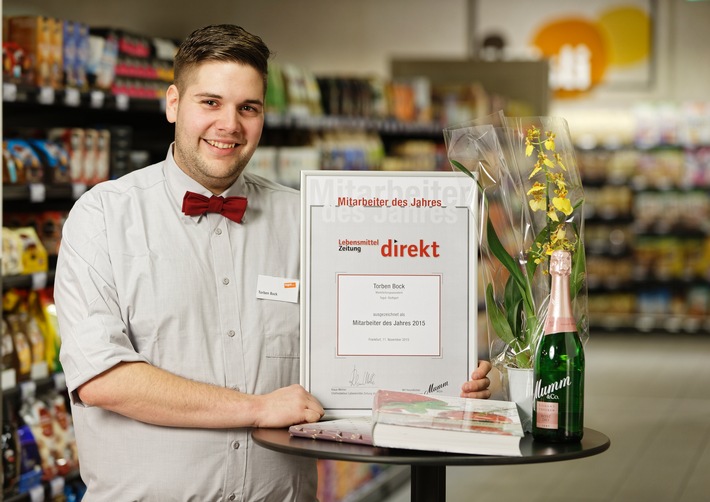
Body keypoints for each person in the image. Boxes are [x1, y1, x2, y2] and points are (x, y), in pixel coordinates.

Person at [54, 24, 491, 501]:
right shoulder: (102, 217)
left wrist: (441, 388)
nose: (230, 125)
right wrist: (256, 408)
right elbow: (102, 379)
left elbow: (359, 360)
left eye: (248, 108)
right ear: (173, 104)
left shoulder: (310, 221)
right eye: (210, 103)